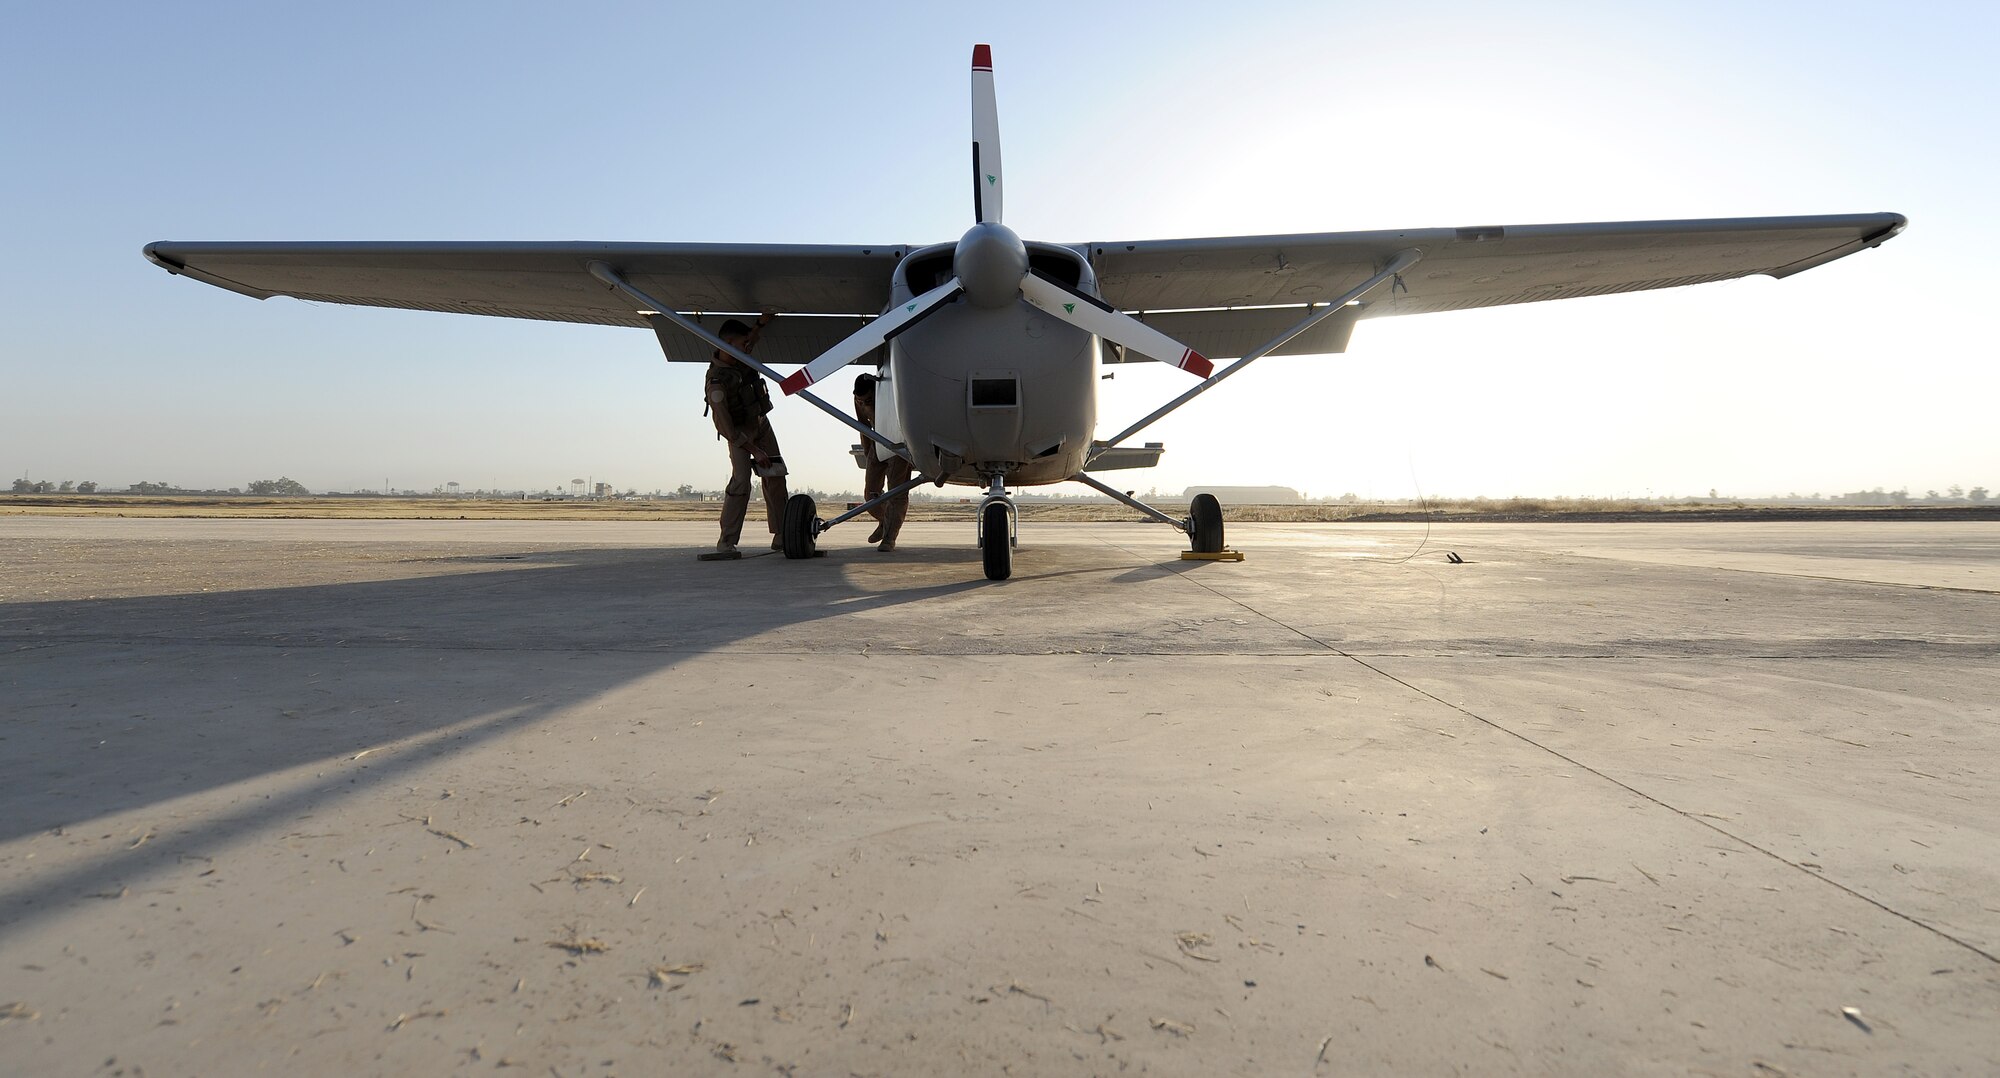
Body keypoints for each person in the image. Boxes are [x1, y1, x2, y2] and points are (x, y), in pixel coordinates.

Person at [698, 312, 788, 561]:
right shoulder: (717, 382)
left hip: (761, 423)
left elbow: (752, 339)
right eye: (742, 343)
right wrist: (755, 451)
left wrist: (761, 323)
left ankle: (782, 534)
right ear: (727, 344)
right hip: (738, 432)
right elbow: (725, 427)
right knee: (741, 482)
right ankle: (726, 541)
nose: (748, 346)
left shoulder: (740, 355)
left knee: (776, 475)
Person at [852, 373, 911, 552]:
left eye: (868, 400)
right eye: (860, 401)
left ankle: (889, 537)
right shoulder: (859, 400)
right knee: (871, 495)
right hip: (877, 443)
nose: (864, 404)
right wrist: (868, 451)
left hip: (899, 443)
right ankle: (884, 521)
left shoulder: (892, 394)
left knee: (896, 492)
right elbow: (863, 426)